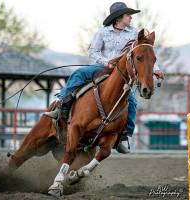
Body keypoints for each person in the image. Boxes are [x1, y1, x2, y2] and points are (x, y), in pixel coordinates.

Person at [45, 2, 164, 153]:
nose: (131, 18)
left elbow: (145, 55)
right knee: (78, 74)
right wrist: (106, 62)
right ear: (119, 17)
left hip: (121, 72)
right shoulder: (102, 32)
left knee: (132, 101)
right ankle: (61, 104)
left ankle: (124, 136)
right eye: (128, 15)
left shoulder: (135, 34)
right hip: (102, 67)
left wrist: (156, 69)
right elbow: (93, 52)